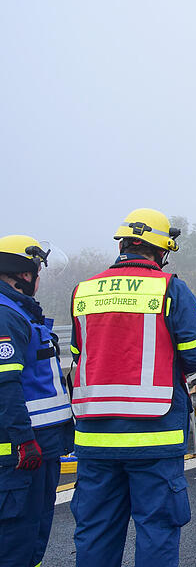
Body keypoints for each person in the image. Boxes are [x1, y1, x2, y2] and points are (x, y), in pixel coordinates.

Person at [70, 209, 196, 567]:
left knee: (96, 532)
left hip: (94, 439)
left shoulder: (83, 291)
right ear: (160, 251)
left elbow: (78, 353)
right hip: (154, 435)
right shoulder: (169, 288)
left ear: (122, 244)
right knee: (157, 529)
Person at [0, 235, 73, 567]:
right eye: (38, 269)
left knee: (33, 537)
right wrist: (25, 441)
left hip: (41, 447)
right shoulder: (6, 316)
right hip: (23, 452)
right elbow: (6, 385)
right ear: (24, 273)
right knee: (18, 541)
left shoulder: (19, 312)